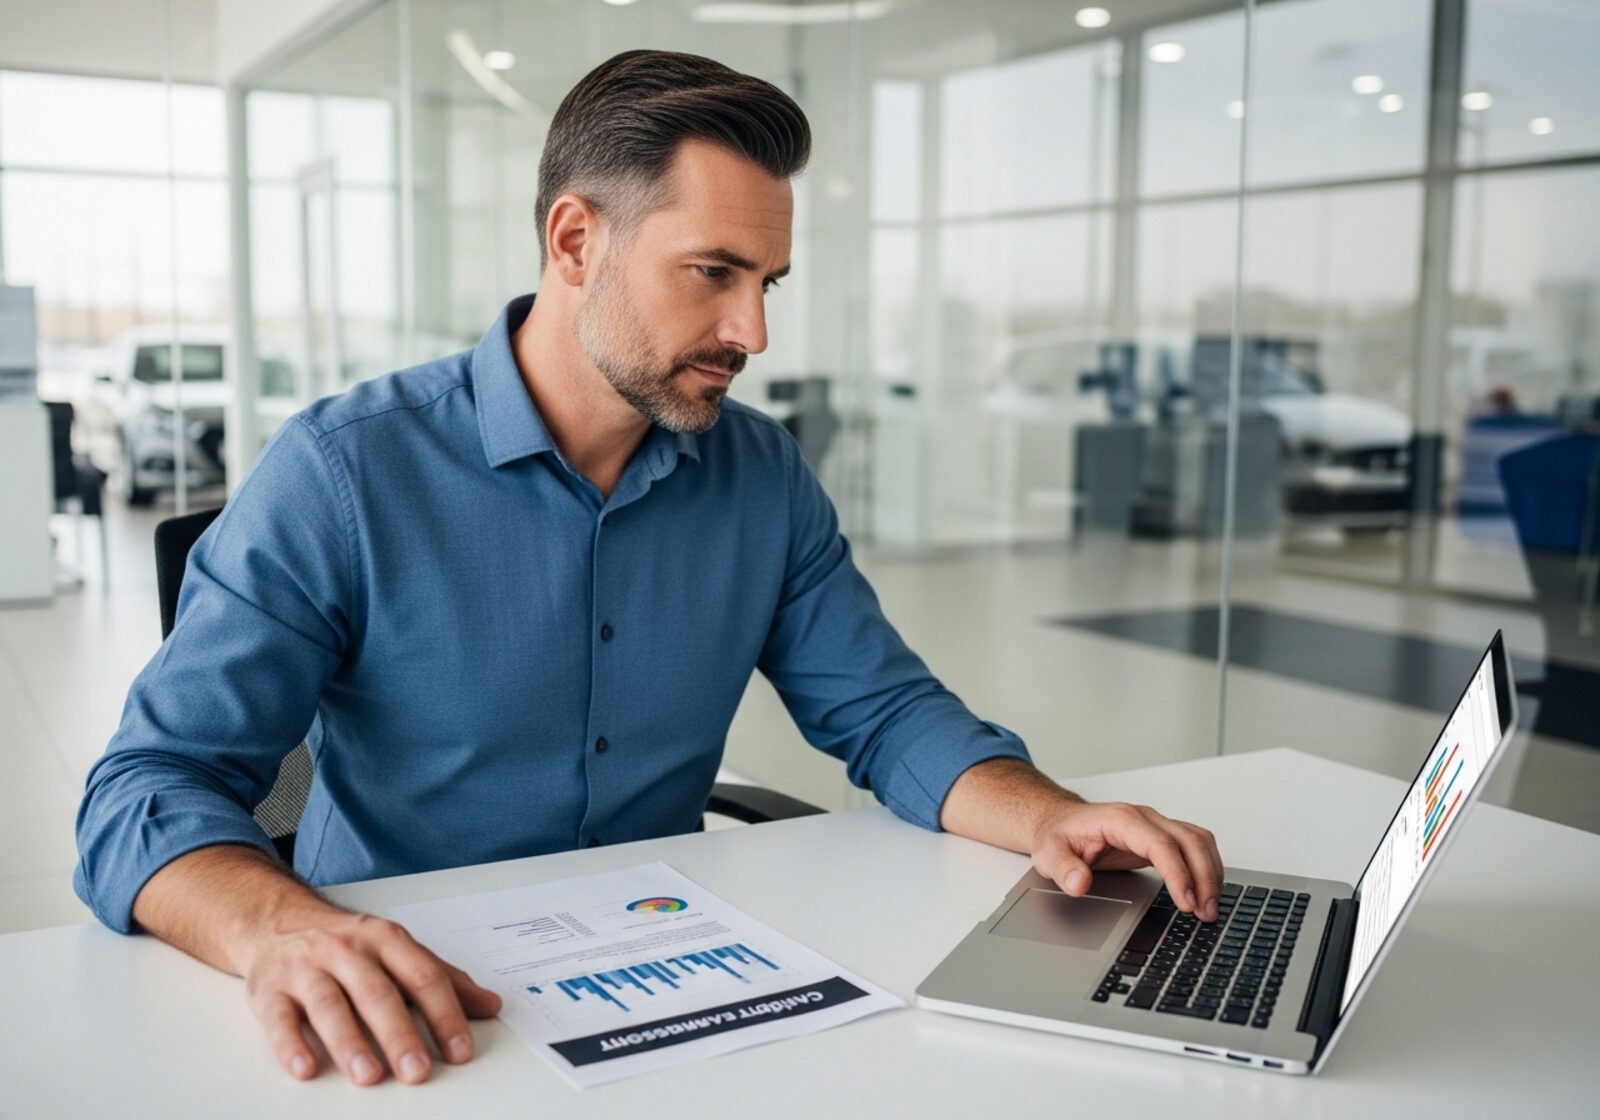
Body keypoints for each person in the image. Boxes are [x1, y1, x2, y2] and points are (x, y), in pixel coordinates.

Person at [74, 50, 1223, 1088]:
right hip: (419, 996)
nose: (753, 332)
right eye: (713, 272)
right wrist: (280, 928)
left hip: (666, 970)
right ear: (576, 242)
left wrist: (1050, 817)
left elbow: (883, 712)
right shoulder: (344, 470)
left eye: (766, 281)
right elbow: (143, 790)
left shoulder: (760, 474)